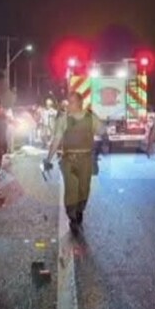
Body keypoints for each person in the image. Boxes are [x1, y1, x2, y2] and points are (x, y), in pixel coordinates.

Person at [43, 91, 104, 229]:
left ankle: (79, 210)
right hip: (68, 160)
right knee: (71, 191)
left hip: (86, 160)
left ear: (79, 103)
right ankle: (72, 217)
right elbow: (57, 140)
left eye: (71, 102)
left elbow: (101, 131)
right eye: (68, 102)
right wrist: (48, 158)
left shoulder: (91, 118)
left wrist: (96, 122)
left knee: (84, 189)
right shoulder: (63, 119)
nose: (68, 104)